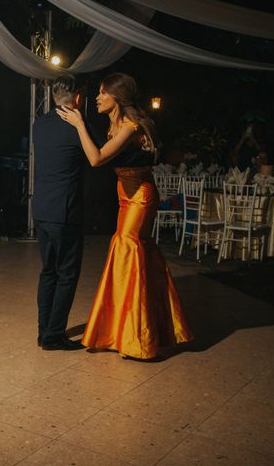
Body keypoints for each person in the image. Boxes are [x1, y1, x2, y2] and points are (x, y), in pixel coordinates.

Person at [56, 72, 193, 359]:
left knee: (127, 248)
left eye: (102, 92)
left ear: (116, 96)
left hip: (140, 197)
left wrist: (79, 123)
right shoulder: (115, 123)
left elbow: (96, 159)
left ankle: (138, 337)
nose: (97, 97)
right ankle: (128, 330)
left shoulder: (131, 127)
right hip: (124, 195)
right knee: (132, 254)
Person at [31, 75, 85, 351]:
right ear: (77, 98)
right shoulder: (78, 126)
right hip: (65, 211)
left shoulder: (38, 124)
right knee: (67, 273)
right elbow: (96, 156)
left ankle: (44, 332)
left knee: (48, 271)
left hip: (41, 208)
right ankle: (53, 335)